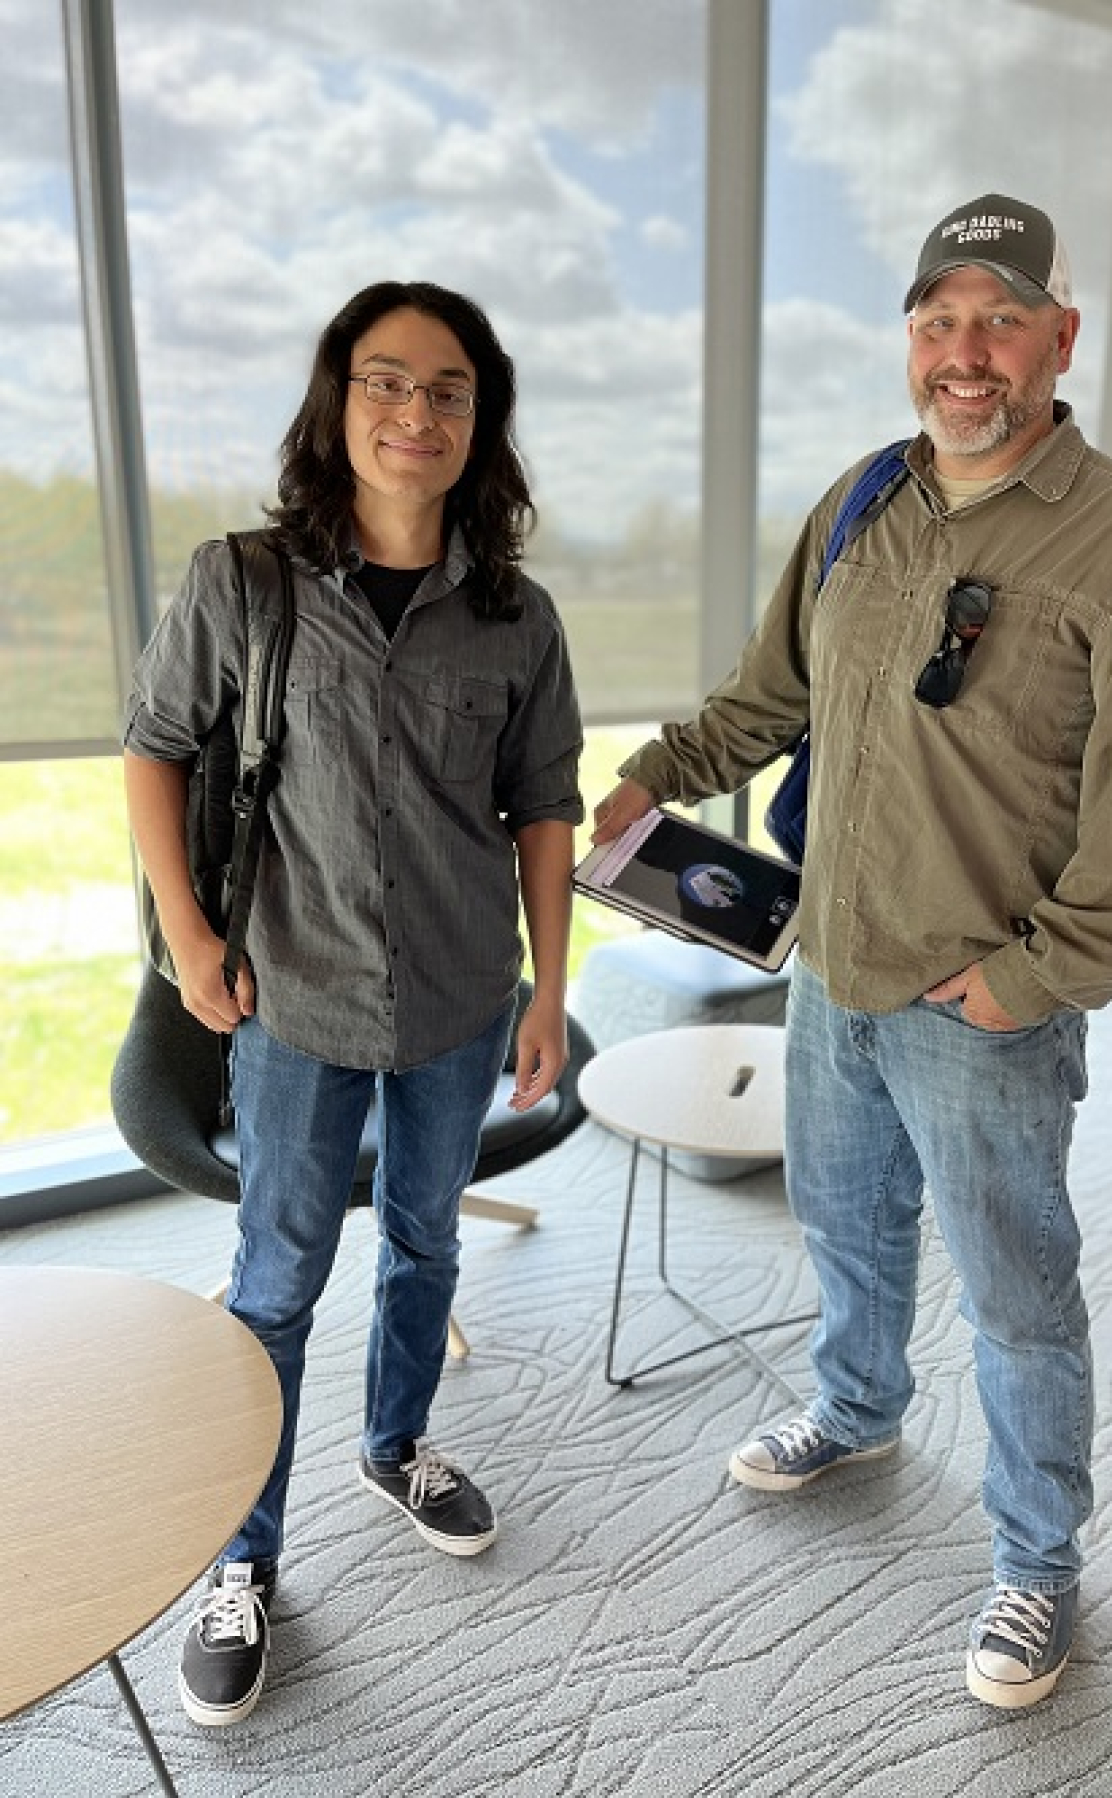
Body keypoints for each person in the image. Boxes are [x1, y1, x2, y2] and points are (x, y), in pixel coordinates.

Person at [592, 194, 1112, 1709]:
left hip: (982, 1001)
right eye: (936, 319)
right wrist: (653, 777)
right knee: (848, 1227)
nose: (963, 351)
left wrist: (1035, 974)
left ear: (1059, 339)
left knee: (1015, 1292)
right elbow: (768, 697)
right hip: (830, 962)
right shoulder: (864, 496)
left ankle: (1035, 1561)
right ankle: (856, 1407)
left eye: (998, 317)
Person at [125, 281, 583, 1727]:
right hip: (289, 1000)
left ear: (478, 423)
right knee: (274, 1285)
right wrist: (191, 933)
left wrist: (548, 991)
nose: (415, 412)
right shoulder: (240, 581)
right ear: (337, 402)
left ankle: (397, 1443)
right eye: (385, 381)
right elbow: (152, 749)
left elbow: (544, 813)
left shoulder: (516, 617)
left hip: (458, 996)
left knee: (429, 1241)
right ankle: (242, 1555)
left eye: (448, 390)